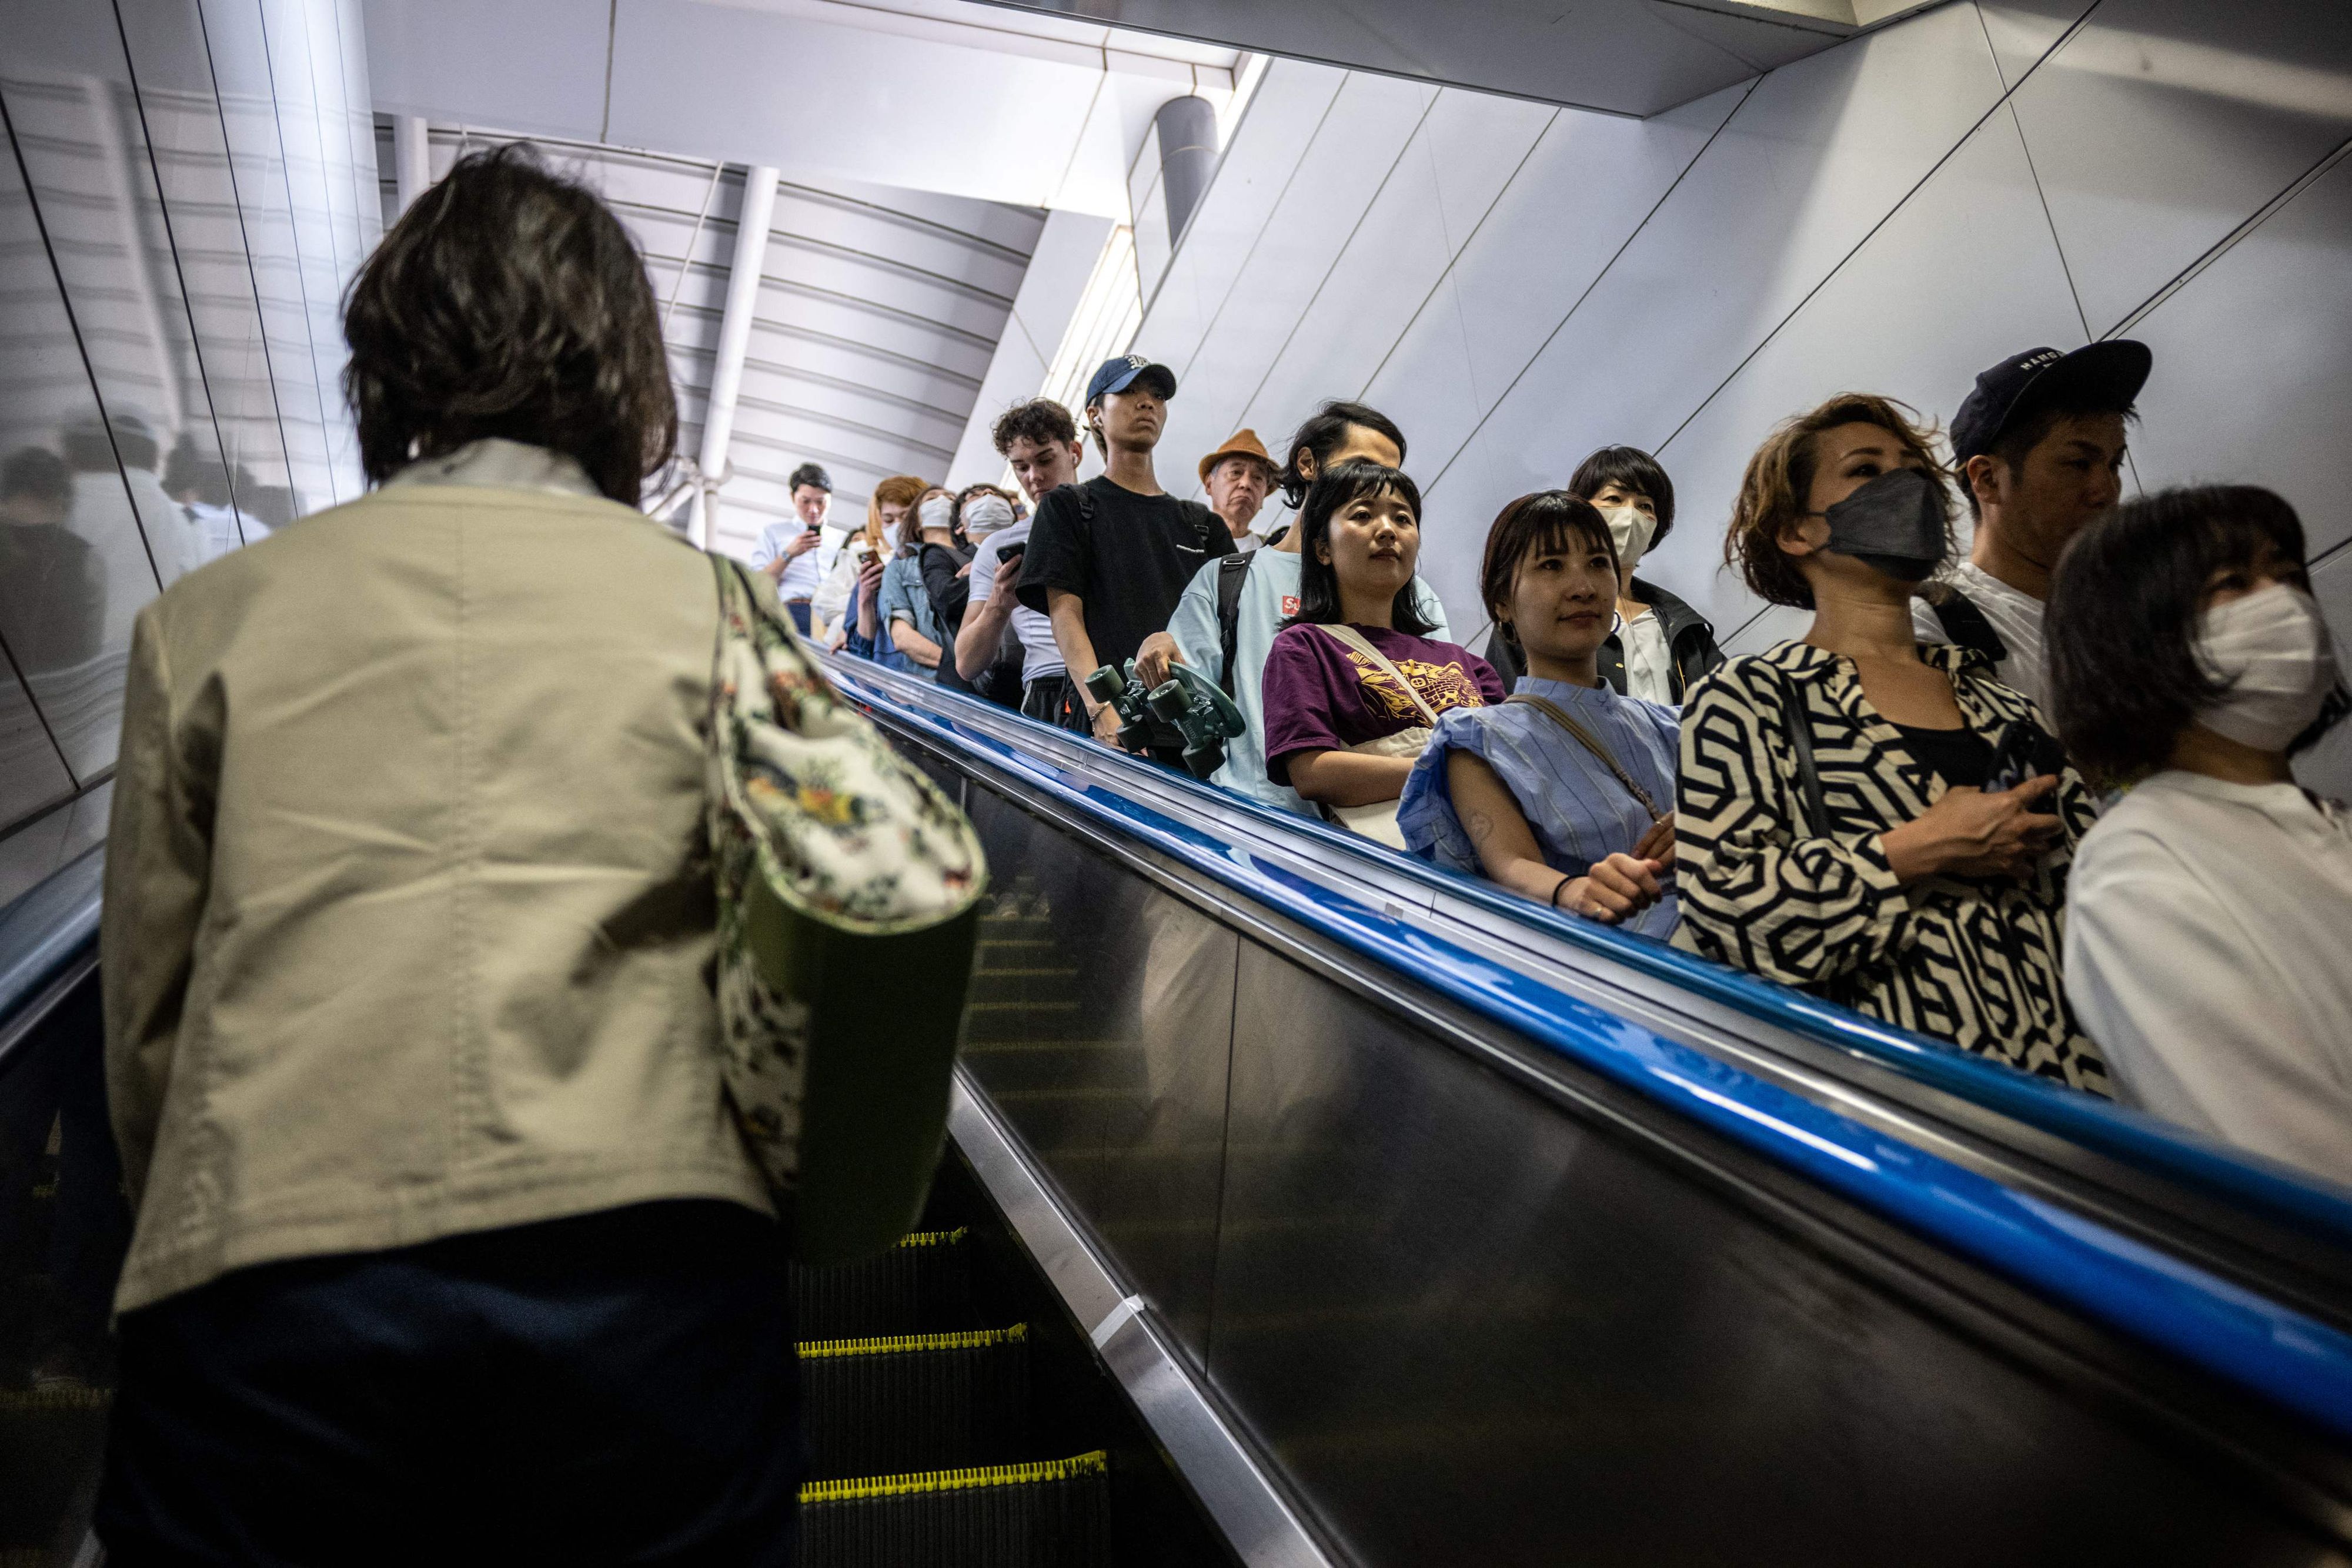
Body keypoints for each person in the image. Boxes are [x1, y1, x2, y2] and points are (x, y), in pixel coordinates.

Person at [96, 146, 800, 1560]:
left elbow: (147, 1027)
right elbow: (799, 943)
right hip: (648, 1281)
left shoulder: (213, 616)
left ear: (391, 357)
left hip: (271, 1286)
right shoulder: (721, 610)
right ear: (625, 373)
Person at [1676, 392, 2106, 1093]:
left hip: (2084, 1099)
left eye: (1914, 469)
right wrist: (1919, 847)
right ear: (1795, 533)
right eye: (1866, 470)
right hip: (1896, 1100)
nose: (1905, 487)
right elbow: (1728, 911)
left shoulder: (2004, 706)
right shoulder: (1751, 696)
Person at [2046, 486, 2352, 1182]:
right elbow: (2289, 1168)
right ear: (2137, 641)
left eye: (2286, 575)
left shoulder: (2328, 825)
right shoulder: (2136, 872)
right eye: (2233, 584)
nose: (2284, 604)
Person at [1399, 492, 1679, 936]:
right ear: (1502, 604)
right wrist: (1576, 891)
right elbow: (1512, 863)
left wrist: (1707, 825)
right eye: (1551, 565)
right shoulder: (1476, 739)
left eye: (1598, 564)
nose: (1583, 587)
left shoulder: (1673, 726)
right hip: (1608, 961)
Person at [1137, 401, 1438, 814]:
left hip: (1381, 835)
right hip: (1252, 821)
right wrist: (1160, 650)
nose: (1373, 484)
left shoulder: (1413, 595)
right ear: (1308, 464)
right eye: (1361, 465)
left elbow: (1438, 711)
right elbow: (1189, 699)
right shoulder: (1228, 578)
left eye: (1389, 475)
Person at [1261, 460, 1503, 845]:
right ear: (1323, 547)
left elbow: (1511, 758)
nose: (1388, 530)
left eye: (1403, 519)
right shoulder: (1305, 646)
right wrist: (1441, 770)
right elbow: (1311, 772)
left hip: (1494, 850)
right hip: (1393, 865)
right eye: (1363, 514)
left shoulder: (1467, 662)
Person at [1912, 342, 2150, 710]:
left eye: (2114, 464)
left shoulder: (2148, 608)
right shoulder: (1933, 627)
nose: (2106, 490)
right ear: (1988, 479)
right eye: (2078, 464)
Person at [1015, 356, 1232, 752]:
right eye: (1129, 392)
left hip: (1198, 739)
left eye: (1157, 395)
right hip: (1114, 730)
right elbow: (1065, 614)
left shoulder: (1203, 526)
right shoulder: (1071, 507)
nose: (1146, 402)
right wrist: (1102, 710)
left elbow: (1227, 627)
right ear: (1095, 414)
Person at [1482, 446, 1721, 703]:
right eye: (1614, 499)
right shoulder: (1531, 620)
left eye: (1645, 505)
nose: (1631, 515)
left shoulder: (1683, 624)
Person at [960, 400, 1080, 720]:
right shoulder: (1000, 545)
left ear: (1075, 452)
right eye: (1021, 467)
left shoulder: (1113, 523)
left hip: (1118, 676)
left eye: (1045, 460)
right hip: (1048, 685)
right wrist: (999, 605)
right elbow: (967, 663)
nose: (1034, 477)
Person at [930, 483, 1021, 704]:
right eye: (976, 497)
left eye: (996, 495)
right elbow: (947, 599)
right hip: (972, 684)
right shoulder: (944, 556)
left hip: (1022, 678)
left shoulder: (1029, 547)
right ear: (960, 525)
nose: (989, 496)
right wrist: (983, 569)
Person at [817, 474, 924, 654]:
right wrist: (865, 600)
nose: (898, 527)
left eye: (905, 517)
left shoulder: (934, 567)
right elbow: (861, 647)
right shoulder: (871, 577)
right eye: (889, 520)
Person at [747, 460, 836, 635]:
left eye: (820, 502)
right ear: (792, 497)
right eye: (806, 501)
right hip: (791, 611)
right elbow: (757, 585)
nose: (814, 510)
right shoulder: (773, 533)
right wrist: (788, 554)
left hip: (832, 620)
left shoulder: (843, 539)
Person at [876, 486, 955, 677]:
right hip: (934, 686)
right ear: (917, 522)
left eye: (950, 498)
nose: (942, 501)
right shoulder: (899, 570)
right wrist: (960, 670)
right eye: (932, 499)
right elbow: (903, 638)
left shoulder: (980, 562)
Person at [1199, 429, 1276, 551]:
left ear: (1264, 495)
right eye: (1236, 472)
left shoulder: (1273, 552)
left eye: (1257, 478)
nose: (1246, 484)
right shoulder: (1186, 543)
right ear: (1209, 484)